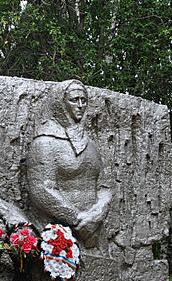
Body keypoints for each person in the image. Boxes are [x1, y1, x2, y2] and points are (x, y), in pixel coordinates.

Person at [26, 78, 112, 248]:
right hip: (58, 236)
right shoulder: (44, 142)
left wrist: (98, 213)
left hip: (95, 234)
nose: (80, 105)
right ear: (60, 104)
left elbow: (105, 186)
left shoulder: (91, 146)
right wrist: (78, 220)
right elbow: (41, 190)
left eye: (83, 100)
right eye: (74, 100)